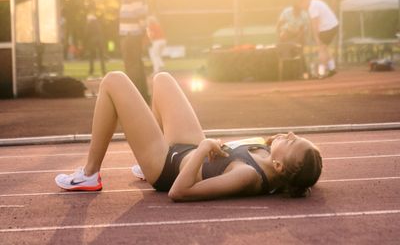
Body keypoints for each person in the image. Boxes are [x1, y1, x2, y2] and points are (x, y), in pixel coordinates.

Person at [55, 71, 322, 200]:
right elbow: (303, 173)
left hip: (168, 168)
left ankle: (90, 174)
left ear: (279, 166)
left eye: (292, 141)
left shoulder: (247, 176)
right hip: (189, 149)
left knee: (113, 80)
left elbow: (179, 192)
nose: (290, 133)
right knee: (162, 80)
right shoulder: (271, 160)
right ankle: (147, 152)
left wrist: (205, 148)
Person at [115, 0, 150, 103]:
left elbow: (140, 14)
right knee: (137, 65)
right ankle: (142, 96)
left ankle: (136, 99)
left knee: (132, 67)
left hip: (131, 34)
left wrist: (143, 32)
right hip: (132, 33)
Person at [299, 0, 339, 78]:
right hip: (333, 25)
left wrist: (316, 38)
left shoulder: (312, 7)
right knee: (325, 48)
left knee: (321, 49)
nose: (302, 7)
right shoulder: (315, 2)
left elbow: (315, 24)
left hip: (328, 28)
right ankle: (332, 68)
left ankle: (321, 73)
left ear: (305, 0)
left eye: (301, 4)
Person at [276, 3, 310, 78]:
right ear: (293, 10)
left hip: (299, 32)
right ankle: (284, 69)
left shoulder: (304, 15)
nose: (296, 14)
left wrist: (297, 41)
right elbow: (279, 24)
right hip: (287, 31)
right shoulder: (286, 12)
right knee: (284, 45)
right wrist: (279, 35)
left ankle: (303, 71)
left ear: (300, 11)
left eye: (298, 12)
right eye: (295, 12)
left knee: (299, 50)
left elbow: (303, 30)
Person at [84, 6, 106, 77]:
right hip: (100, 39)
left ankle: (91, 70)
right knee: (101, 56)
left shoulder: (89, 23)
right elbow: (101, 31)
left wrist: (85, 41)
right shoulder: (97, 23)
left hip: (92, 40)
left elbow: (87, 33)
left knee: (91, 56)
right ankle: (103, 70)